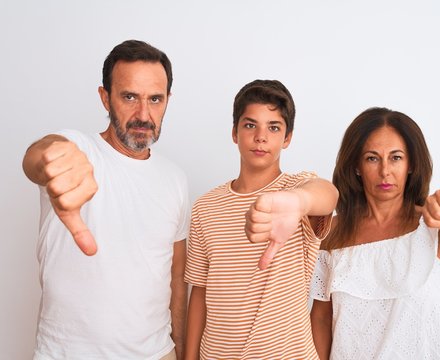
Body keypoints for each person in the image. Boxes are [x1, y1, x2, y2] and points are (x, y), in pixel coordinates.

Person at [22, 40, 190, 360]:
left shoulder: (175, 179)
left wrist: (179, 350)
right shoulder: (77, 149)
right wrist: (51, 157)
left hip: (157, 353)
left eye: (155, 99)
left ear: (167, 100)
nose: (144, 114)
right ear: (105, 98)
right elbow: (40, 156)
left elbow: (177, 277)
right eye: (129, 97)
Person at [310, 107, 440, 360]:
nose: (385, 171)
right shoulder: (331, 233)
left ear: (411, 163)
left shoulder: (436, 223)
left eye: (396, 157)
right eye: (372, 158)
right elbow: (322, 320)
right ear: (356, 166)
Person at [184, 79, 339, 359]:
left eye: (274, 127)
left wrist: (297, 201)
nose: (261, 137)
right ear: (234, 132)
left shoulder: (298, 188)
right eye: (250, 125)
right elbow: (199, 292)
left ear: (287, 137)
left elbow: (328, 194)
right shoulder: (204, 208)